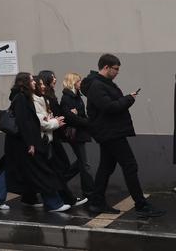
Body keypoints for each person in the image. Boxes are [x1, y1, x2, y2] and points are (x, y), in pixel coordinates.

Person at [82, 54, 164, 217]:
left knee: (106, 167)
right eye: (116, 69)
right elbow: (109, 107)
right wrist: (128, 99)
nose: (117, 72)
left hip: (110, 132)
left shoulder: (103, 84)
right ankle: (141, 205)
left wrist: (127, 98)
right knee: (130, 165)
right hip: (110, 133)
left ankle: (97, 203)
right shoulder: (97, 85)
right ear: (106, 67)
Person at [4, 73, 70, 212]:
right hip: (28, 144)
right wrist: (31, 144)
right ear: (25, 82)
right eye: (32, 80)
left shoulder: (24, 97)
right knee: (43, 174)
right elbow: (25, 123)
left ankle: (29, 199)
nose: (34, 82)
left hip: (29, 143)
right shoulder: (21, 99)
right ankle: (54, 204)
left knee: (35, 174)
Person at [34, 72, 82, 208]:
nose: (55, 79)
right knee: (58, 168)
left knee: (58, 168)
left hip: (53, 136)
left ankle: (59, 195)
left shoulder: (48, 96)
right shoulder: (42, 98)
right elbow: (43, 120)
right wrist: (56, 120)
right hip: (50, 137)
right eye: (52, 77)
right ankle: (63, 197)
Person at [60, 72, 93, 198]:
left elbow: (78, 114)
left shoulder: (77, 96)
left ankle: (60, 181)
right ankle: (89, 192)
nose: (81, 83)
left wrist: (78, 115)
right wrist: (88, 122)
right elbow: (71, 118)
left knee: (81, 163)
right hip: (75, 134)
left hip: (81, 132)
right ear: (73, 82)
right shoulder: (67, 98)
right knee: (85, 164)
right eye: (78, 81)